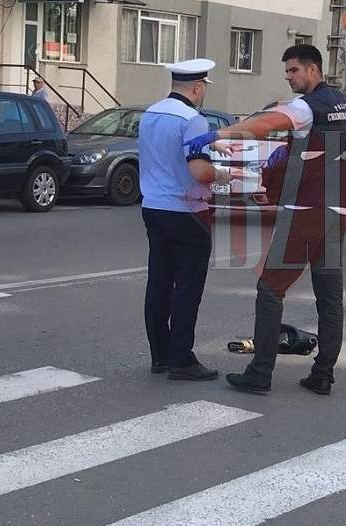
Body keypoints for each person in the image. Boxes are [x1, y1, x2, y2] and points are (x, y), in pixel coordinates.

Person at [185, 44, 346, 395]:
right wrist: (295, 152)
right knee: (330, 297)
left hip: (306, 212)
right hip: (338, 209)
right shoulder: (344, 103)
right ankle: (322, 375)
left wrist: (218, 134)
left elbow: (265, 124)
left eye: (294, 71)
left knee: (269, 289)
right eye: (287, 72)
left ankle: (260, 372)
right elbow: (340, 146)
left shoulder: (306, 106)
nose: (289, 77)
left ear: (313, 70)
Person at [139, 58, 237, 381]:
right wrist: (226, 174)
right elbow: (200, 171)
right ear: (198, 88)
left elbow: (168, 151)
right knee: (187, 288)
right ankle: (181, 359)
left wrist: (211, 141)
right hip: (187, 212)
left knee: (159, 282)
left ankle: (160, 355)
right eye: (203, 89)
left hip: (153, 207)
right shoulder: (193, 119)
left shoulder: (151, 113)